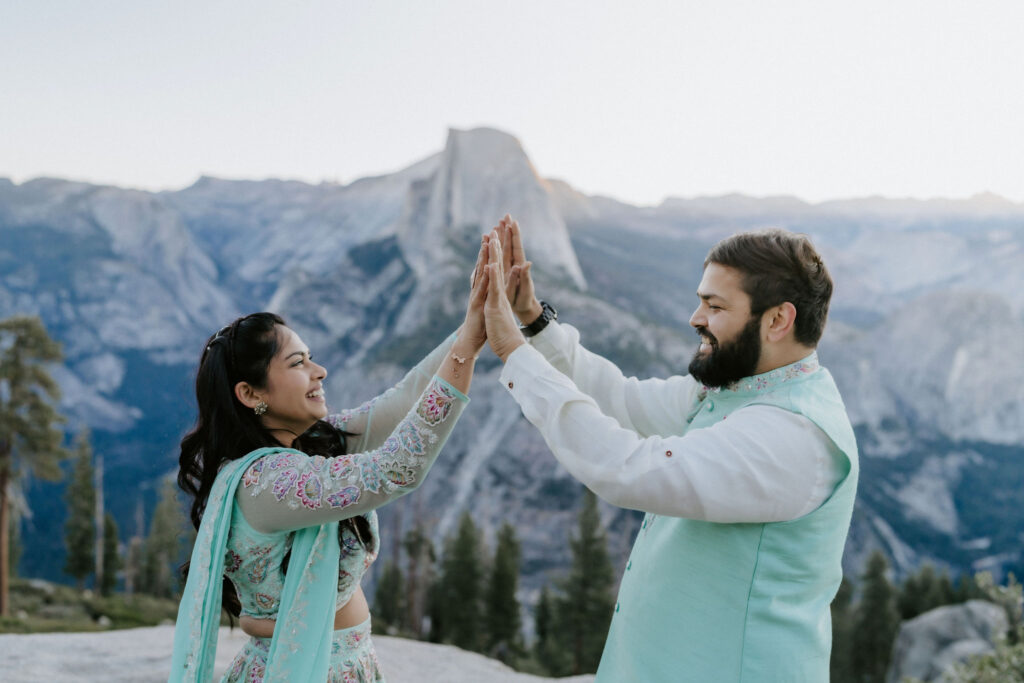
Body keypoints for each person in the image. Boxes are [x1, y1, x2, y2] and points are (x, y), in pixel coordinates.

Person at [480, 217, 858, 682]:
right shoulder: (737, 389)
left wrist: (513, 352)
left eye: (714, 306)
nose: (695, 318)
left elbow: (629, 469)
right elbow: (623, 400)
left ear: (778, 320)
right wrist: (535, 322)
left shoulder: (792, 436)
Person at [168, 239, 491, 682]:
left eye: (312, 358)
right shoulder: (267, 481)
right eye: (298, 363)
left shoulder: (307, 446)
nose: (319, 371)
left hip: (339, 664)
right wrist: (466, 347)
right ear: (251, 394)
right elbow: (398, 468)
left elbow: (399, 403)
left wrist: (472, 327)